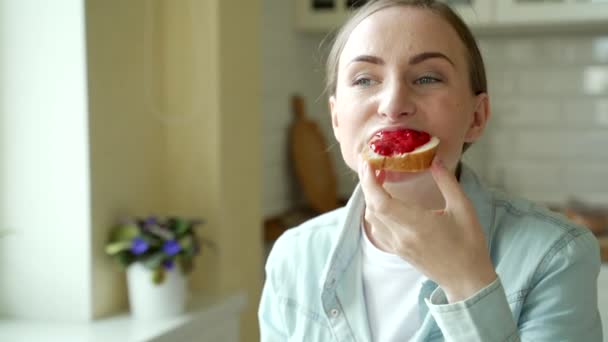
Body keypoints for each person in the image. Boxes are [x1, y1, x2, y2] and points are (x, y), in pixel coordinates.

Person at [258, 0, 603, 341]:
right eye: (364, 80)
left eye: (426, 77)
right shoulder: (293, 258)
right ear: (336, 118)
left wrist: (468, 283)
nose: (393, 105)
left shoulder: (556, 256)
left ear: (477, 117)